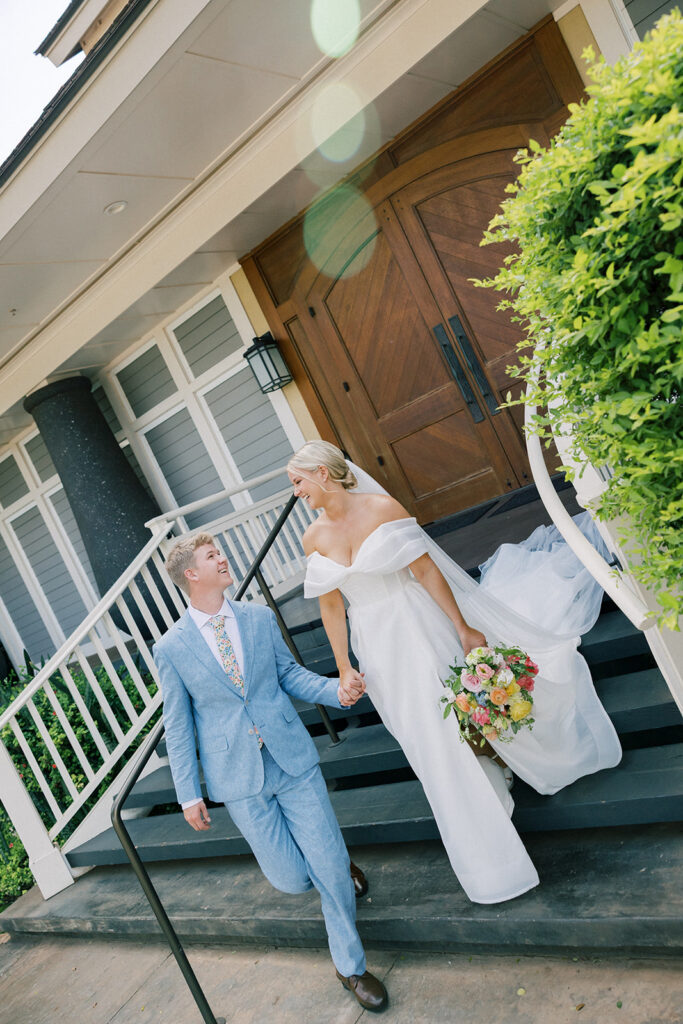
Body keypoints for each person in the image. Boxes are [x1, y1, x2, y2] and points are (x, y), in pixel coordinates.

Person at [287, 441, 622, 905]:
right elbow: (330, 605)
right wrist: (344, 667)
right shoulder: (312, 538)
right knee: (423, 738)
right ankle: (482, 801)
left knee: (451, 722)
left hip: (418, 623)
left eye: (298, 480)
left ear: (322, 473)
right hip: (376, 644)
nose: (296, 491)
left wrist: (463, 628)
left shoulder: (383, 507)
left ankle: (492, 818)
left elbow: (424, 572)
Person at [154, 532, 388, 1013]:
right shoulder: (171, 647)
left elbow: (289, 675)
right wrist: (187, 793)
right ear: (191, 575)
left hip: (292, 759)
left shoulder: (258, 618)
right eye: (211, 555)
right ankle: (337, 868)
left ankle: (351, 967)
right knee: (291, 878)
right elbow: (177, 725)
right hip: (237, 778)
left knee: (326, 870)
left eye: (220, 550)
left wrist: (335, 691)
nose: (223, 557)